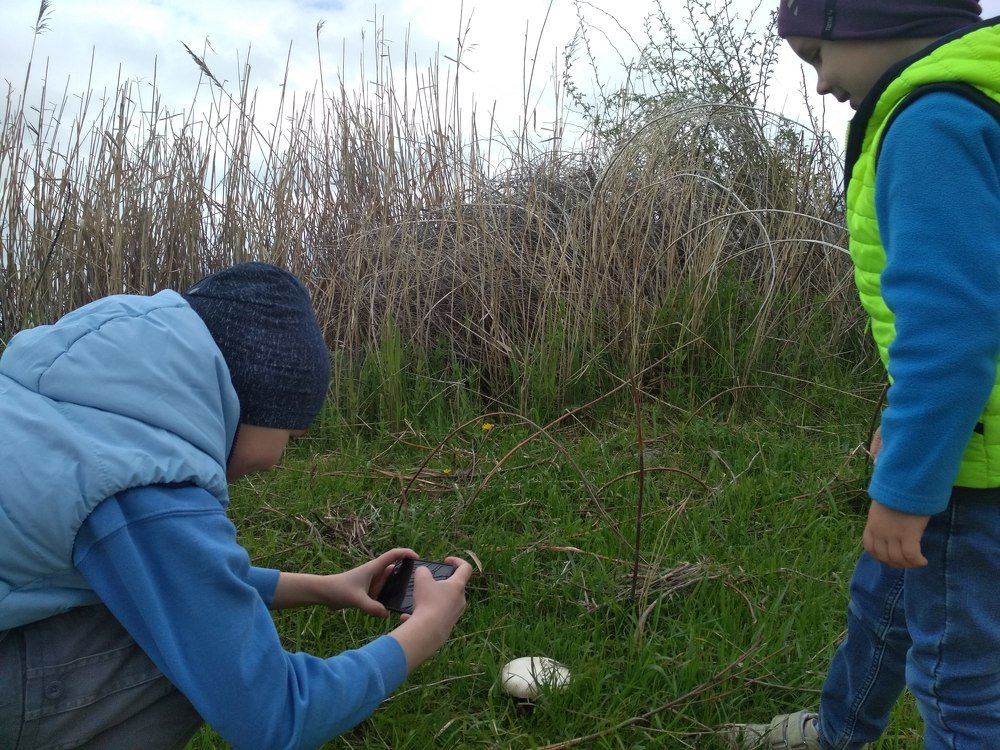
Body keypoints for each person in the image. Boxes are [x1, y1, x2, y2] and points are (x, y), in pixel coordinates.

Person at [0, 262, 472, 749]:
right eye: (292, 433)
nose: (280, 458)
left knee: (160, 608)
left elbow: (170, 575)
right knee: (176, 649)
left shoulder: (80, 402)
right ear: (258, 398)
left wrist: (322, 588)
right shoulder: (142, 483)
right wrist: (425, 631)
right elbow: (277, 715)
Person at [728, 2, 1000, 748]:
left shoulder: (929, 123)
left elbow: (952, 336)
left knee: (960, 685)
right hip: (964, 431)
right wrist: (905, 423)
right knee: (881, 597)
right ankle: (838, 734)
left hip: (974, 468)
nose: (820, 86)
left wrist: (911, 485)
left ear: (876, 19)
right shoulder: (980, 94)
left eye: (819, 56)